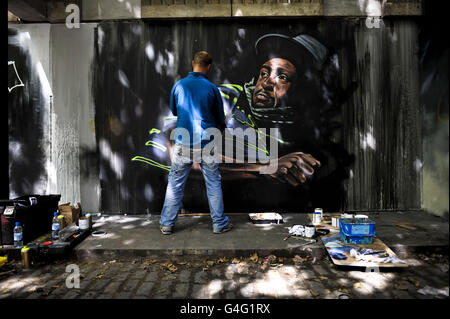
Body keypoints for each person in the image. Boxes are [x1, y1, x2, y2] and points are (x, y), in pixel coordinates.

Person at [159, 51, 232, 235]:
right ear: (209, 67)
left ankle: (167, 224)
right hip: (207, 143)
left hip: (183, 143)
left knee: (175, 184)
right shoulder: (212, 88)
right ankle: (219, 224)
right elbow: (220, 119)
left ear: (193, 63)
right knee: (213, 184)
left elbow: (175, 112)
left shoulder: (179, 86)